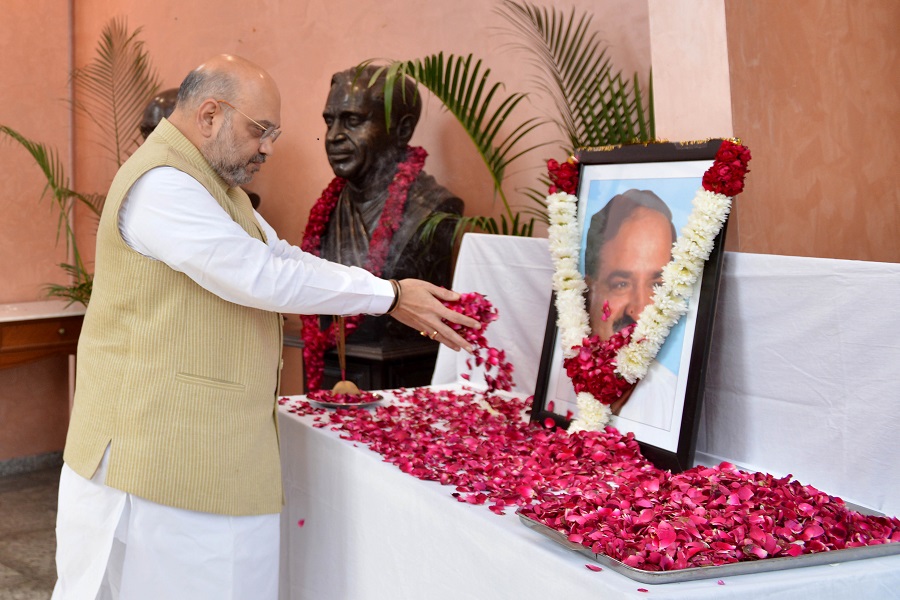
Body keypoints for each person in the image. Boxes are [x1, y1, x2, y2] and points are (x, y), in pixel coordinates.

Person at [51, 54, 479, 600]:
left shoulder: (216, 186)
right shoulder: (162, 183)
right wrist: (388, 296)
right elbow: (256, 275)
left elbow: (284, 258)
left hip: (207, 449)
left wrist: (389, 293)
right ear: (210, 115)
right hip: (160, 458)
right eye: (261, 131)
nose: (268, 148)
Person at [316, 64, 464, 342]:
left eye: (353, 121)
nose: (333, 136)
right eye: (329, 121)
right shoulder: (328, 210)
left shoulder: (434, 207)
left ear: (402, 129)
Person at [583, 189, 678, 430]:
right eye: (621, 284)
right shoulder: (559, 381)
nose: (639, 311)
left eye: (657, 285)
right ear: (588, 288)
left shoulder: (670, 404)